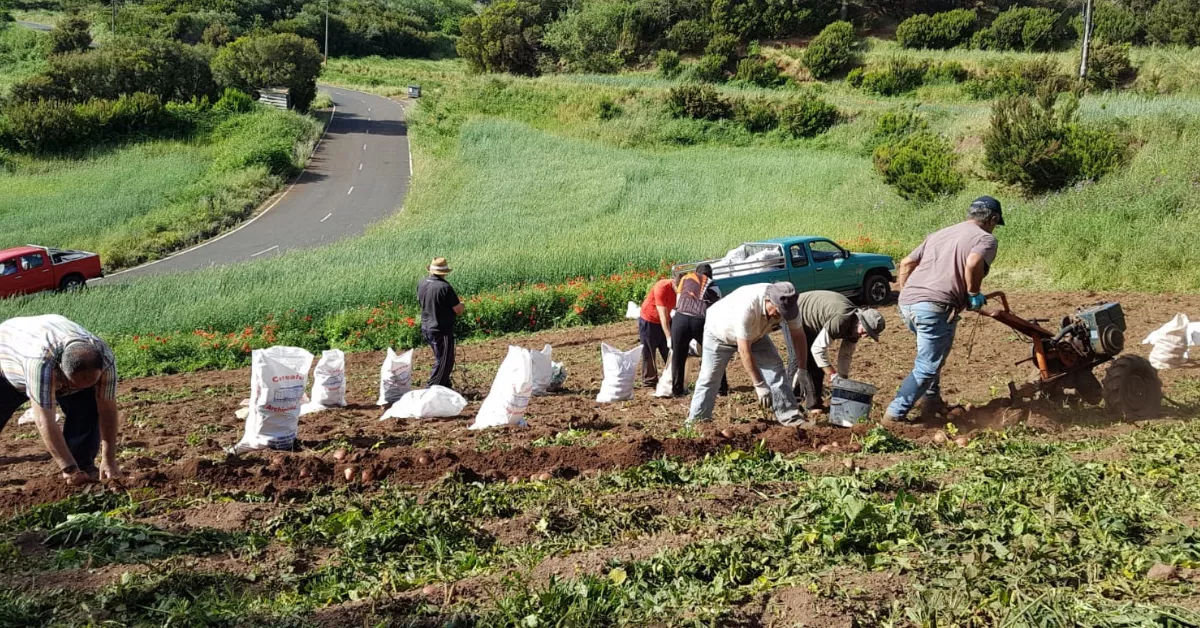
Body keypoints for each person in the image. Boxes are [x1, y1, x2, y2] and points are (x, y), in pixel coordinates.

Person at [884, 196, 1003, 422]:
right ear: (993, 219)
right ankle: (894, 415)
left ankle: (931, 400)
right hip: (935, 307)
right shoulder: (986, 238)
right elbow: (973, 263)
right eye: (996, 223)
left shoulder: (939, 234)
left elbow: (907, 263)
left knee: (930, 354)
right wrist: (973, 293)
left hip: (908, 304)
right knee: (928, 365)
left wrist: (906, 293)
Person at [0, 315, 122, 486]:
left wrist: (109, 460)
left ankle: (83, 469)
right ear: (60, 372)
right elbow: (44, 420)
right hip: (8, 358)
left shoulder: (105, 358)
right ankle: (74, 471)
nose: (74, 389)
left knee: (87, 406)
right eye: (72, 384)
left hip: (51, 349)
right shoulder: (41, 363)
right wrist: (68, 469)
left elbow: (107, 409)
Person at [687, 282, 808, 427]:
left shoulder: (790, 307)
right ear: (768, 300)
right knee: (709, 378)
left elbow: (798, 336)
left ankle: (790, 417)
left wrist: (802, 369)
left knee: (775, 368)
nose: (780, 316)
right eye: (777, 311)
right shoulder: (747, 306)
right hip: (719, 333)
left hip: (756, 334)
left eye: (784, 313)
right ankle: (697, 422)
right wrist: (759, 384)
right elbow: (744, 350)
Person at [786, 291, 884, 415]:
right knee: (799, 359)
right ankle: (789, 404)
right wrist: (833, 375)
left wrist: (842, 381)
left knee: (817, 364)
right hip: (796, 312)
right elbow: (817, 349)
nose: (864, 336)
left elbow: (845, 355)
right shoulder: (841, 319)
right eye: (865, 331)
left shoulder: (855, 330)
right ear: (860, 321)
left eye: (868, 334)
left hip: (815, 322)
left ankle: (813, 405)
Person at [669, 263, 727, 397]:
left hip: (680, 319)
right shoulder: (714, 285)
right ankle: (721, 388)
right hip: (700, 320)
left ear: (696, 271)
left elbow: (678, 303)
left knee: (678, 355)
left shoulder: (685, 278)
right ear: (710, 274)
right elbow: (716, 309)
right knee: (713, 352)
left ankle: (677, 391)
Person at [417, 257, 464, 389]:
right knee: (445, 361)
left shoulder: (422, 283)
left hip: (426, 327)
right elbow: (458, 310)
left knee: (441, 358)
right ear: (444, 272)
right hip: (441, 329)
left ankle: (445, 387)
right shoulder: (445, 287)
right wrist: (463, 305)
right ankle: (432, 388)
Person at [638, 277, 675, 387]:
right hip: (649, 319)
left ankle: (673, 378)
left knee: (669, 351)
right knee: (648, 351)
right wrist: (669, 338)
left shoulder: (684, 288)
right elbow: (662, 316)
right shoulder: (662, 287)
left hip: (667, 319)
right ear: (673, 283)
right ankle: (649, 382)